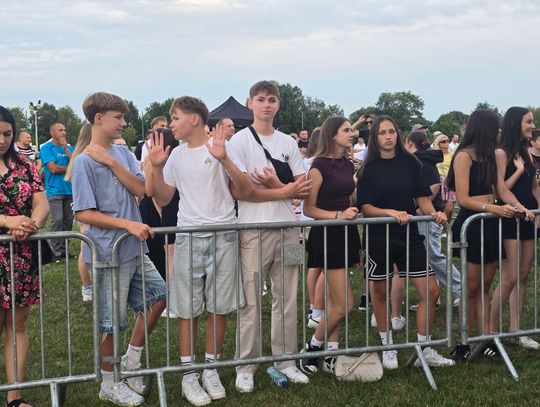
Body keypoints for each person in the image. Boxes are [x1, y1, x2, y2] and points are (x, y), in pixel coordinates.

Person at [146, 96, 254, 406]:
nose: (171, 124)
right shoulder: (176, 155)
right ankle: (188, 374)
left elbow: (245, 189)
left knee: (219, 308)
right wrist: (156, 167)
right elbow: (163, 198)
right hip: (188, 237)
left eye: (175, 117)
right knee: (188, 310)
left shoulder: (223, 147)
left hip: (223, 236)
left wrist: (224, 159)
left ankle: (211, 369)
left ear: (194, 119)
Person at [72, 92, 166, 406]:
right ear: (99, 119)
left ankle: (131, 361)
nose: (124, 123)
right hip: (106, 253)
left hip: (133, 249)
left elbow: (141, 189)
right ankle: (109, 383)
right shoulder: (83, 161)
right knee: (111, 322)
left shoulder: (122, 154)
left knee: (159, 297)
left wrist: (112, 162)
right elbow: (84, 213)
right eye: (118, 117)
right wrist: (127, 224)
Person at [228, 80, 312, 392]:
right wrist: (286, 189)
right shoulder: (239, 142)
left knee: (288, 298)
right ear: (250, 103)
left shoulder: (288, 142)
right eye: (261, 99)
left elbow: (303, 189)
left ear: (278, 105)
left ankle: (286, 360)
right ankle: (245, 366)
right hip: (254, 230)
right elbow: (240, 191)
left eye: (272, 99)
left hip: (289, 229)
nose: (266, 105)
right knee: (250, 300)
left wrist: (275, 185)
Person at [357, 115, 454, 369]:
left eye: (391, 131)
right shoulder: (368, 168)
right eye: (382, 133)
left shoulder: (411, 163)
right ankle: (388, 346)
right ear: (375, 137)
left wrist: (434, 213)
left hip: (409, 234)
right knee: (380, 293)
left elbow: (422, 198)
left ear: (398, 134)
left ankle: (425, 348)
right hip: (378, 236)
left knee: (431, 291)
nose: (388, 136)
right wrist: (390, 212)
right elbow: (365, 207)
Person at [446, 109, 530, 360]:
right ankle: (463, 342)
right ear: (485, 129)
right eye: (496, 129)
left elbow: (501, 190)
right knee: (471, 287)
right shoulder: (464, 156)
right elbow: (463, 198)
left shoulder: (491, 157)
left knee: (484, 285)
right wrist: (494, 208)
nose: (499, 133)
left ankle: (485, 339)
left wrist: (520, 207)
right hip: (472, 224)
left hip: (490, 223)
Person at [299, 116, 361, 374]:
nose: (351, 134)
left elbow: (348, 199)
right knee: (345, 304)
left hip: (346, 231)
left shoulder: (347, 164)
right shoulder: (318, 166)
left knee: (337, 301)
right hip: (327, 233)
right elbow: (309, 208)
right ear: (332, 135)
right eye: (346, 130)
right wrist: (337, 216)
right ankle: (312, 348)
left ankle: (331, 353)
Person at [0, 106, 49, 407]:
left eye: (7, 134)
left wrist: (31, 224)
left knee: (17, 326)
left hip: (20, 256)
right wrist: (8, 222)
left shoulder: (26, 166)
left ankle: (14, 397)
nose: (2, 140)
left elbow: (41, 202)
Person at [490, 107, 540, 350]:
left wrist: (538, 209)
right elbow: (500, 189)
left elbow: (534, 186)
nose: (533, 126)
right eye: (528, 121)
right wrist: (519, 206)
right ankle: (490, 332)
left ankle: (516, 331)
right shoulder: (501, 153)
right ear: (515, 123)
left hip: (529, 218)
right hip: (510, 218)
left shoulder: (526, 152)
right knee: (509, 277)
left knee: (523, 275)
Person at [405, 132, 462, 308]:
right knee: (427, 258)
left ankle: (460, 290)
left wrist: (419, 208)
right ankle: (432, 297)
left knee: (433, 255)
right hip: (427, 215)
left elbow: (434, 186)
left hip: (429, 216)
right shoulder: (423, 159)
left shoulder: (422, 161)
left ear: (409, 142)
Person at [65, 123, 93, 302]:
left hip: (86, 207)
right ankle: (87, 286)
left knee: (87, 246)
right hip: (86, 209)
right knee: (86, 247)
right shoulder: (82, 159)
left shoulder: (78, 157)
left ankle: (89, 285)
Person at [40, 123, 74, 260]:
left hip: (69, 190)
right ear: (52, 132)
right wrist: (70, 168)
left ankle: (64, 250)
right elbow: (53, 169)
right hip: (54, 190)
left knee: (68, 221)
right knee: (57, 220)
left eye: (64, 130)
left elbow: (77, 164)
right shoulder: (47, 148)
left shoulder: (69, 148)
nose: (63, 132)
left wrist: (66, 149)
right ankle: (55, 251)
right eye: (60, 130)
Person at [433, 133, 456, 220]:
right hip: (439, 183)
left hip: (450, 182)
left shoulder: (452, 155)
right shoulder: (434, 155)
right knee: (441, 207)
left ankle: (446, 226)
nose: (446, 143)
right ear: (438, 143)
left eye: (447, 141)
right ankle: (442, 226)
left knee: (450, 208)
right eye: (443, 141)